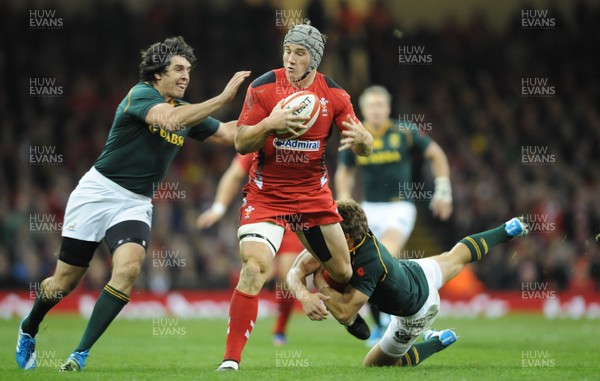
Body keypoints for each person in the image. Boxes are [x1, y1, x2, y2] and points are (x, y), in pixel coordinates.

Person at [15, 36, 250, 372]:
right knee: (65, 281)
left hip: (135, 202)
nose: (186, 76)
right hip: (97, 192)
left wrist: (271, 123)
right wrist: (225, 97)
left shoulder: (184, 111)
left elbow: (229, 134)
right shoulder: (141, 95)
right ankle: (29, 327)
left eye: (189, 70)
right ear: (158, 74)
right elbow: (169, 121)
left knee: (128, 269)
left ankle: (79, 354)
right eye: (179, 69)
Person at [217, 22, 373, 371]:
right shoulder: (263, 88)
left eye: (300, 53)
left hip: (312, 196)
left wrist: (364, 142)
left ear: (314, 59)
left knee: (344, 271)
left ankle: (341, 313)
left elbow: (365, 144)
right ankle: (231, 360)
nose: (290, 58)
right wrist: (270, 124)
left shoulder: (335, 96)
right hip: (266, 195)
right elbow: (241, 142)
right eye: (287, 50)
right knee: (255, 268)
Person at [287, 199, 529, 367]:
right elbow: (295, 270)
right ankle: (507, 229)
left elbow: (344, 313)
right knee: (455, 257)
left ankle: (437, 341)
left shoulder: (369, 262)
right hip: (415, 270)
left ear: (347, 239)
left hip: (416, 309)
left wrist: (319, 283)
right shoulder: (345, 240)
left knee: (376, 365)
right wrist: (303, 295)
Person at [335, 85, 452, 343]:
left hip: (400, 206)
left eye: (381, 105)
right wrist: (343, 198)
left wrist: (443, 190)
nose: (377, 110)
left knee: (383, 256)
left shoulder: (404, 131)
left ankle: (391, 322)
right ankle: (380, 324)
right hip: (367, 208)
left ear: (388, 108)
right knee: (362, 266)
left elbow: (435, 154)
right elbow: (344, 171)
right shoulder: (356, 134)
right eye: (372, 106)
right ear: (363, 110)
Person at [196, 153, 305, 345]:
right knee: (254, 271)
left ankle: (279, 329)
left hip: (293, 217)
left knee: (288, 278)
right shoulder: (259, 138)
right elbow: (235, 173)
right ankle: (236, 339)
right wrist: (218, 208)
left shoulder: (307, 142)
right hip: (262, 214)